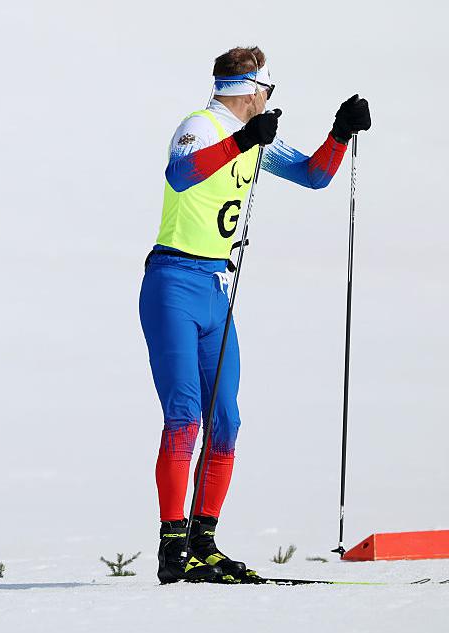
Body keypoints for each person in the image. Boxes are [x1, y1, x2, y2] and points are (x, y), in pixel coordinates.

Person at [139, 47, 370, 583]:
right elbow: (180, 174)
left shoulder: (257, 138)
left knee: (226, 423)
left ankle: (204, 543)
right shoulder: (199, 125)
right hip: (173, 283)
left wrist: (339, 133)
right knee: (184, 418)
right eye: (268, 88)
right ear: (250, 89)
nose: (269, 98)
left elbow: (314, 176)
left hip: (218, 290)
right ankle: (172, 551)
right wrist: (246, 139)